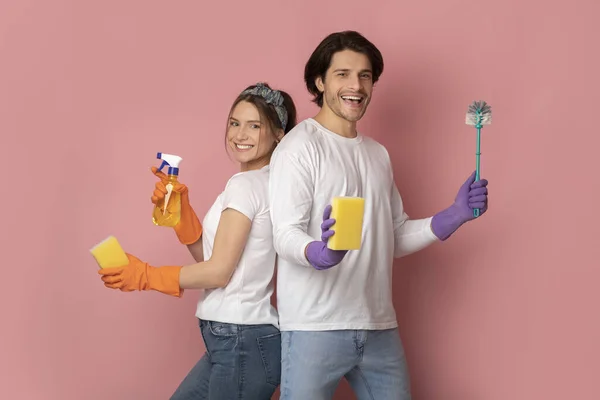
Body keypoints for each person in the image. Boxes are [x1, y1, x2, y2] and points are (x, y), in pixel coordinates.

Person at [268, 31, 490, 400]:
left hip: (378, 328)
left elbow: (395, 236)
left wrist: (452, 216)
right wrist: (318, 253)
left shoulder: (377, 155)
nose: (356, 85)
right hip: (314, 328)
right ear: (320, 81)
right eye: (342, 74)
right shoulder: (299, 147)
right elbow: (285, 233)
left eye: (365, 75)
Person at [98, 82, 297, 400]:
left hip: (240, 340)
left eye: (254, 125)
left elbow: (218, 273)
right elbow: (214, 259)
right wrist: (182, 217)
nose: (239, 134)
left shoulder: (246, 187)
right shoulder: (262, 182)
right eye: (234, 123)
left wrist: (147, 276)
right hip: (236, 340)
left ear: (278, 134)